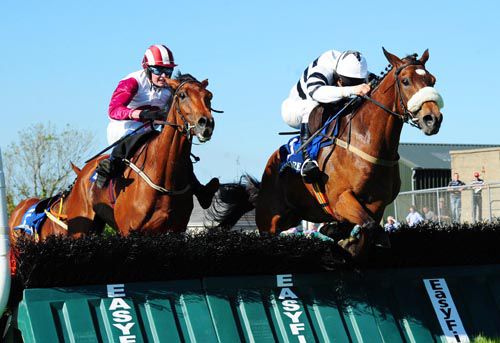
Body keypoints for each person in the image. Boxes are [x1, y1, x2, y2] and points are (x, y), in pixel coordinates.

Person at [95, 44, 219, 209]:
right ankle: (109, 166)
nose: (163, 76)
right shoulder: (132, 82)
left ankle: (199, 190)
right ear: (146, 68)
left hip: (150, 129)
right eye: (157, 70)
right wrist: (139, 114)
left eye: (167, 71)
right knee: (135, 137)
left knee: (174, 152)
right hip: (125, 127)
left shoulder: (169, 87)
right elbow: (113, 110)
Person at [281, 50, 371, 183]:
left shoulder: (354, 68)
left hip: (322, 110)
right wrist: (353, 90)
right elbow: (316, 92)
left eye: (355, 82)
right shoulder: (324, 66)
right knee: (312, 106)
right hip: (294, 109)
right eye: (347, 82)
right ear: (338, 75)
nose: (351, 84)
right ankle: (305, 157)